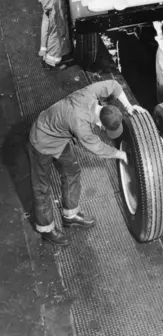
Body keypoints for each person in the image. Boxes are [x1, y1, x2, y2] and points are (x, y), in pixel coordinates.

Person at [27, 80, 145, 247]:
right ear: (100, 124)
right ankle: (46, 229)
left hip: (59, 137)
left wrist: (129, 106)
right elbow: (97, 147)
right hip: (41, 141)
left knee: (72, 171)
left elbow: (114, 85)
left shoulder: (90, 93)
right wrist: (121, 155)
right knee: (41, 187)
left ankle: (70, 215)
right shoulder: (81, 125)